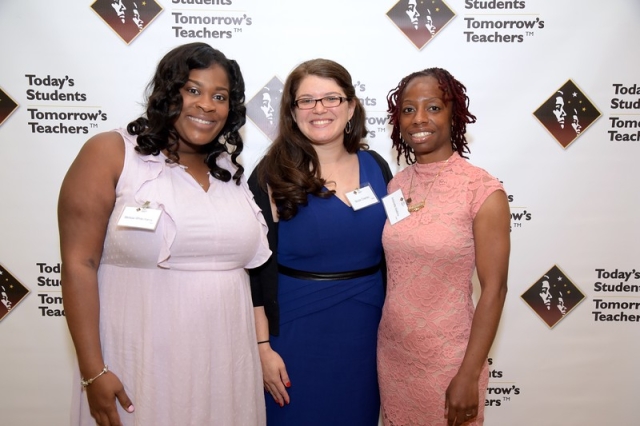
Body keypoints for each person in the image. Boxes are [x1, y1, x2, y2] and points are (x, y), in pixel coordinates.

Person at [58, 42, 270, 426]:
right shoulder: (111, 152)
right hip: (139, 363)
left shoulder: (229, 171)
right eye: (193, 90)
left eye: (219, 96)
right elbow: (78, 264)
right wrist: (93, 371)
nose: (206, 105)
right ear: (167, 92)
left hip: (226, 369)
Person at [248, 58, 392, 425]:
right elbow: (252, 272)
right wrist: (262, 348)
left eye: (331, 98)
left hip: (369, 335)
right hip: (294, 337)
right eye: (306, 100)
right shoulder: (270, 175)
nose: (320, 109)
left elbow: (400, 245)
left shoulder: (378, 166)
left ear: (351, 107)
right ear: (292, 112)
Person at [378, 67, 510, 426]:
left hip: (451, 360)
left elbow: (495, 291)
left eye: (433, 107)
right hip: (393, 355)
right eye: (408, 109)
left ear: (454, 115)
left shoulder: (482, 190)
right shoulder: (397, 186)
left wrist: (468, 375)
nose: (419, 118)